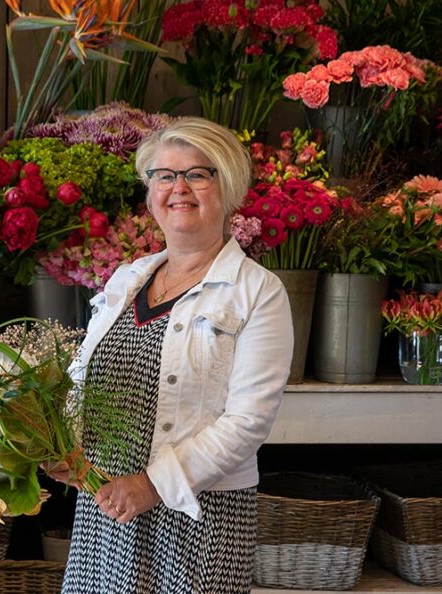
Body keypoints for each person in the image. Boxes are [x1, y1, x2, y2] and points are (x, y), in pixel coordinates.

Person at [59, 116, 294, 593]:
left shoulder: (257, 292)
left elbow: (247, 422)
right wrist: (62, 443)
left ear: (227, 189)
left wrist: (151, 484)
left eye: (197, 174)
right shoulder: (128, 279)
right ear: (150, 194)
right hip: (107, 509)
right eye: (164, 176)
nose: (178, 188)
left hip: (199, 517)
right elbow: (82, 378)